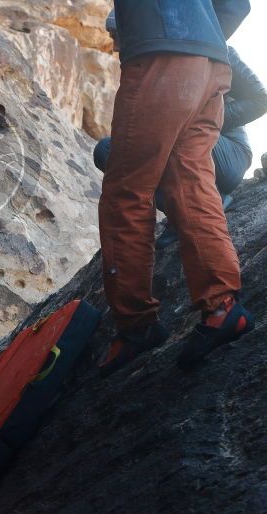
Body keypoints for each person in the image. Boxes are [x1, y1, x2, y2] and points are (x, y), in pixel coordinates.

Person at [95, 0, 254, 377]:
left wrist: (171, 43)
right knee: (192, 184)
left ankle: (136, 326)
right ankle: (222, 308)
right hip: (211, 65)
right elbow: (237, 5)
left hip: (161, 58)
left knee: (127, 192)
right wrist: (200, 42)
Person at [94, 45, 267, 249]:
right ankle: (180, 212)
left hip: (228, 153)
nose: (114, 45)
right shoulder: (149, 62)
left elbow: (260, 100)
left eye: (117, 35)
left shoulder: (218, 50)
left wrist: (200, 119)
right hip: (178, 141)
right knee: (107, 150)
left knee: (174, 126)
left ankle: (200, 207)